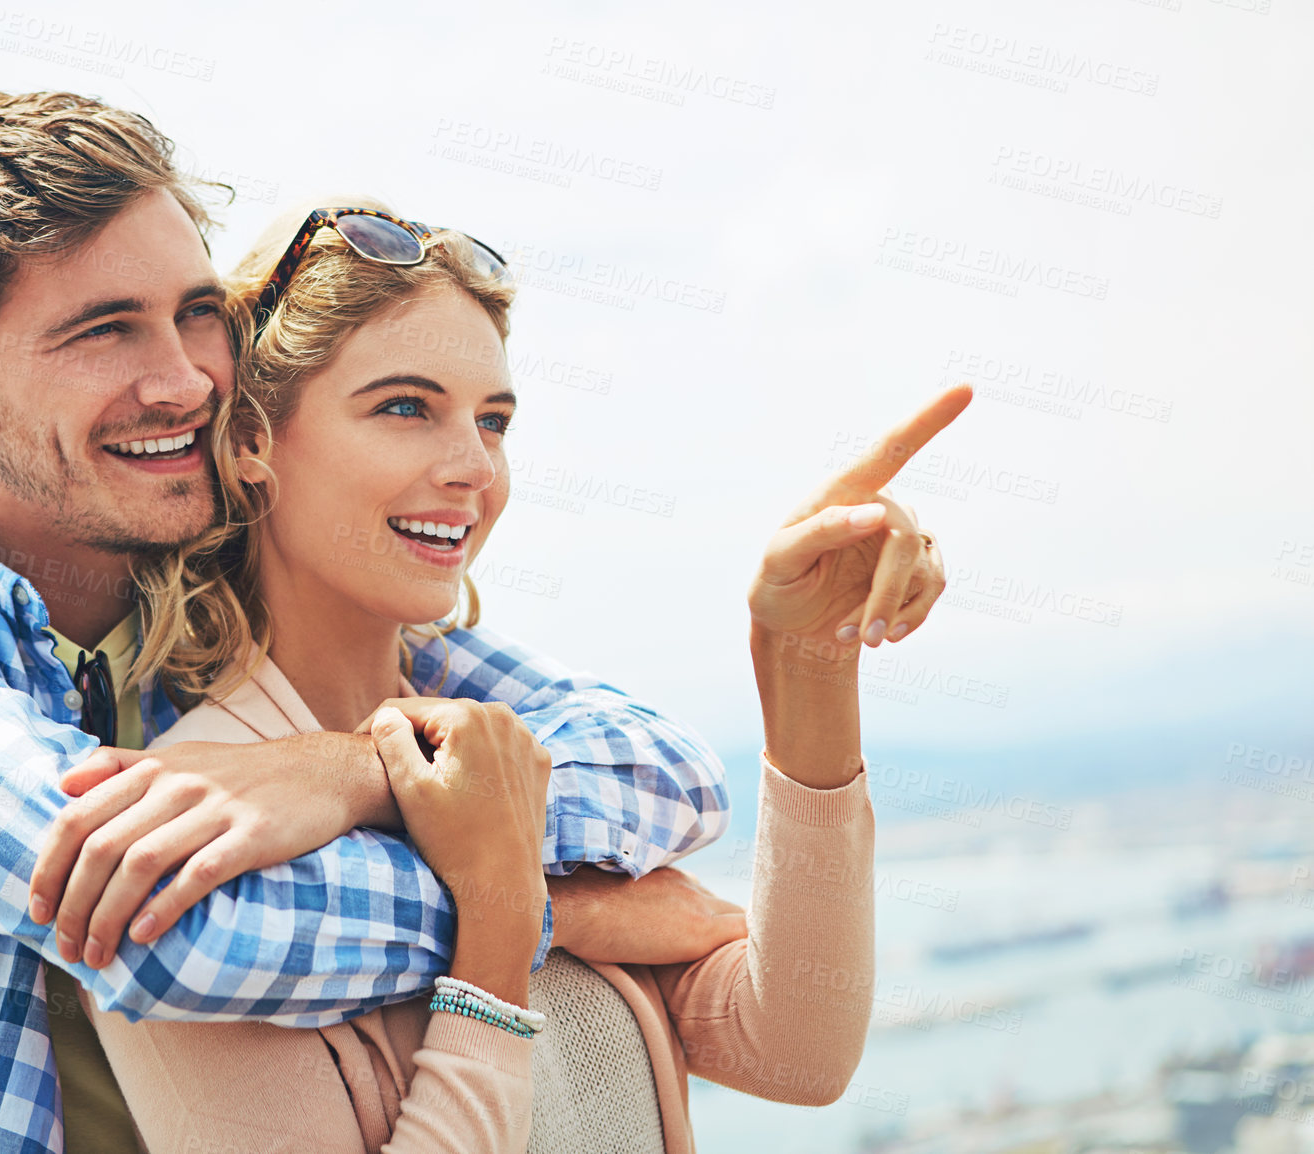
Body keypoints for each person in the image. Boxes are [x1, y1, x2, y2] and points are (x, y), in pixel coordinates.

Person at [0, 90, 731, 1154]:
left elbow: (661, 768)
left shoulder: (219, 599)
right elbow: (171, 931)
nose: (184, 379)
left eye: (196, 311)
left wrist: (354, 772)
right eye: (104, 331)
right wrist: (537, 907)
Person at [48, 202, 969, 1151]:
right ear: (251, 444)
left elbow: (796, 1051)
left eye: (491, 421)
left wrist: (808, 664)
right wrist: (498, 916)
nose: (472, 468)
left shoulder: (528, 754)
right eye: (403, 407)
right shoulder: (191, 822)